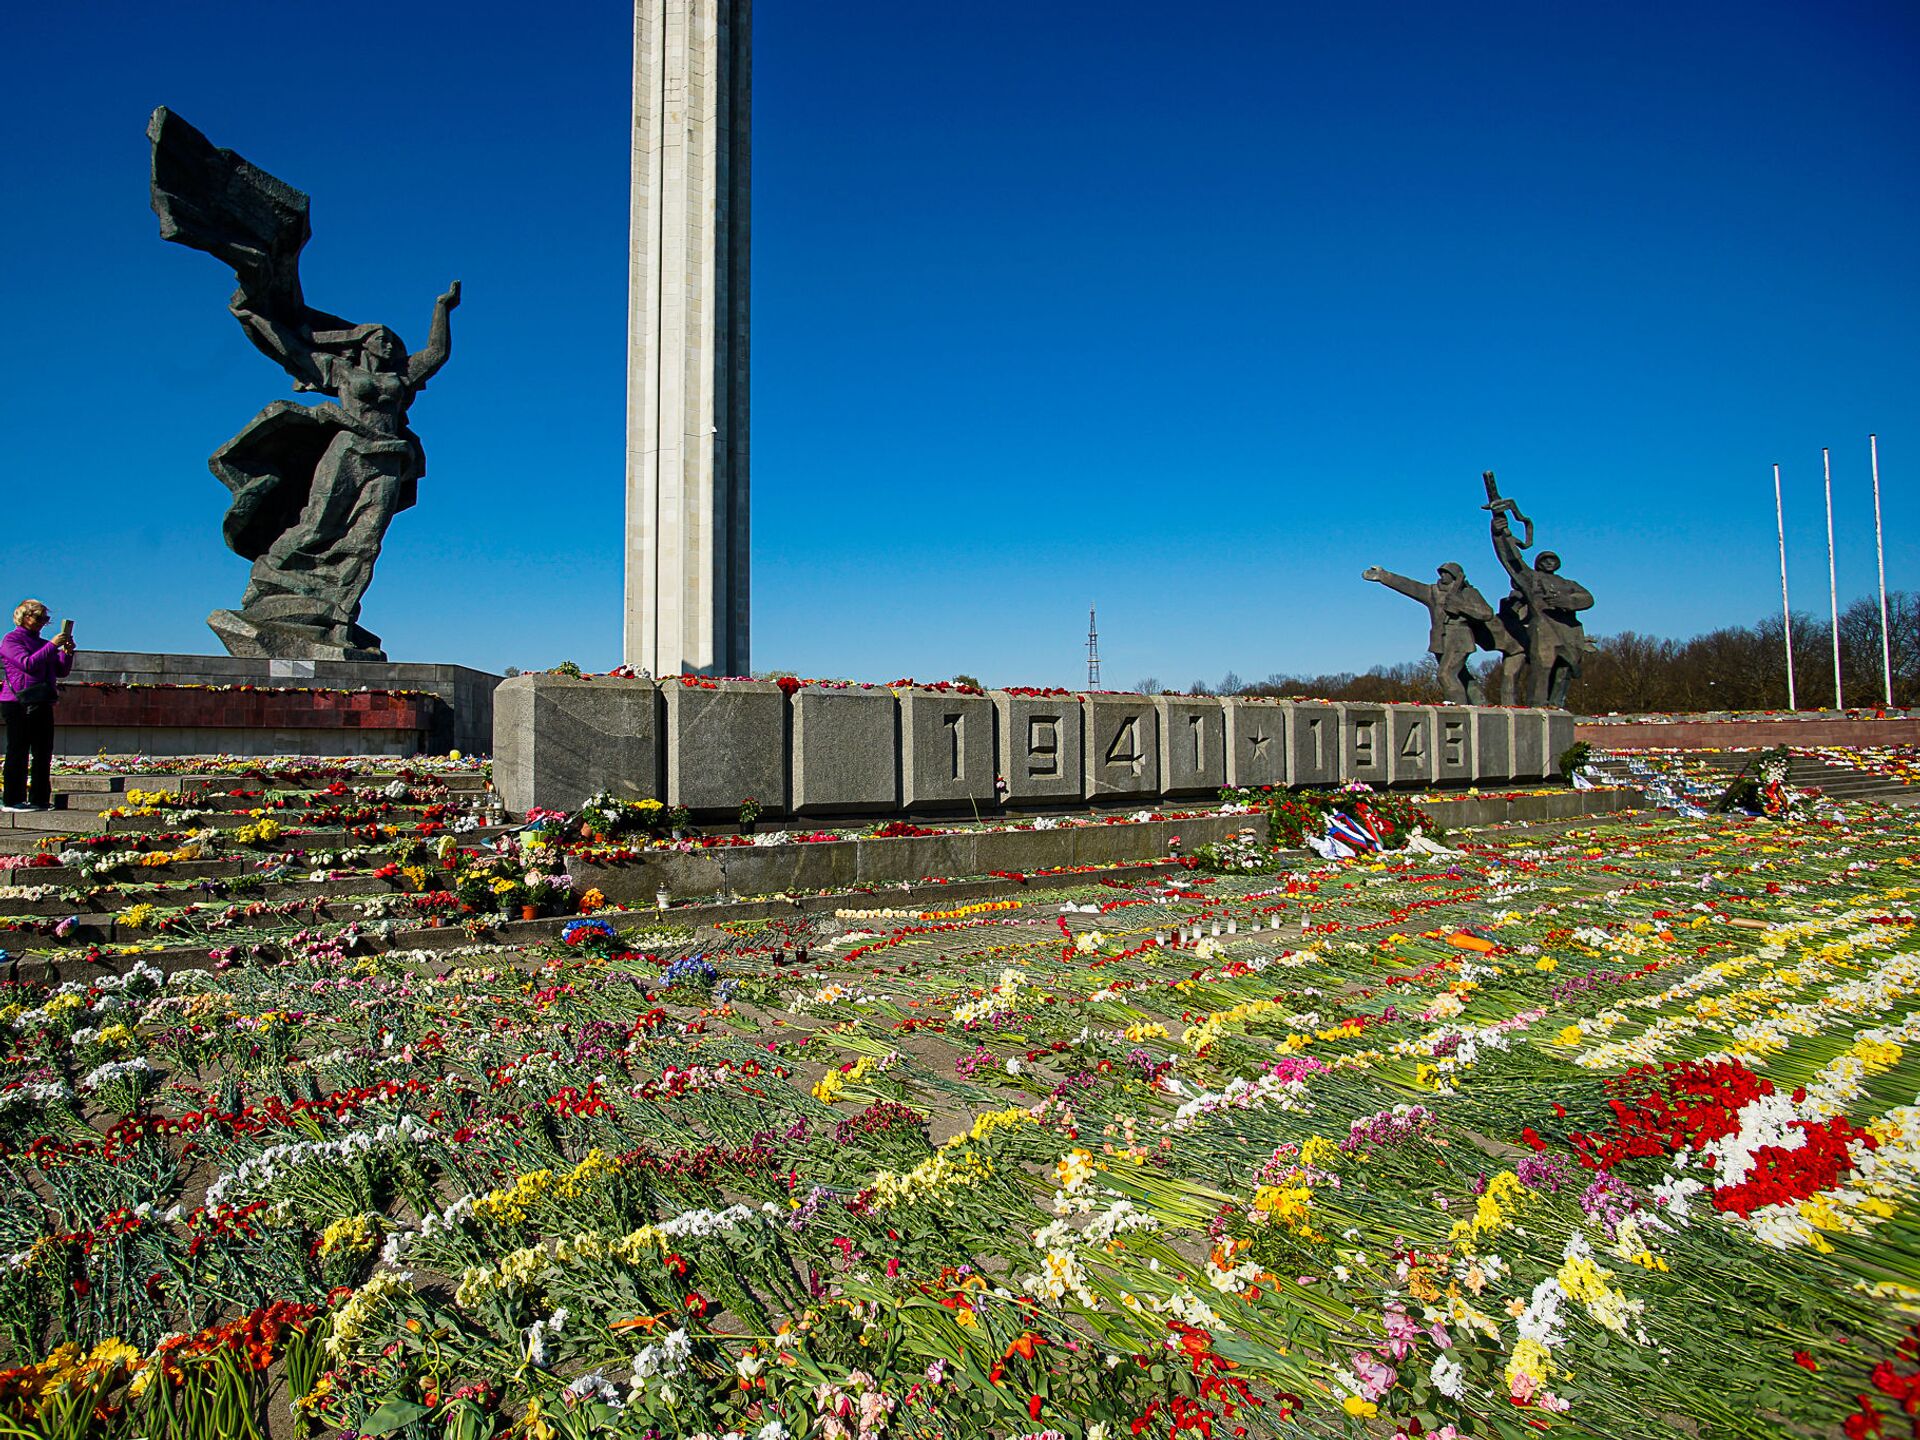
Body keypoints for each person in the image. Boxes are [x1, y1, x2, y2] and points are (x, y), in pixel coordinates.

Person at [1362, 562, 1522, 704]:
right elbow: (1411, 586)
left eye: (1447, 573)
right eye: (1442, 572)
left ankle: (1458, 710)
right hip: (1440, 639)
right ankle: (1481, 704)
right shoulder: (1434, 592)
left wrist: (1460, 606)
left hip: (1460, 637)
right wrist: (1384, 576)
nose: (1443, 575)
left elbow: (1486, 613)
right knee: (1462, 676)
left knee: (1445, 675)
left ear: (1456, 576)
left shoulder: (1469, 593)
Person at [1, 600, 76, 812]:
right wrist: (52, 646)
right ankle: (12, 799)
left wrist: (67, 653)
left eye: (46, 619)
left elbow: (60, 670)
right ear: (25, 617)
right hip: (18, 702)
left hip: (42, 700)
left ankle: (40, 798)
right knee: (18, 750)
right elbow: (27, 664)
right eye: (40, 618)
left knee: (43, 751)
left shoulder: (43, 643)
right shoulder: (11, 640)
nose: (43, 623)